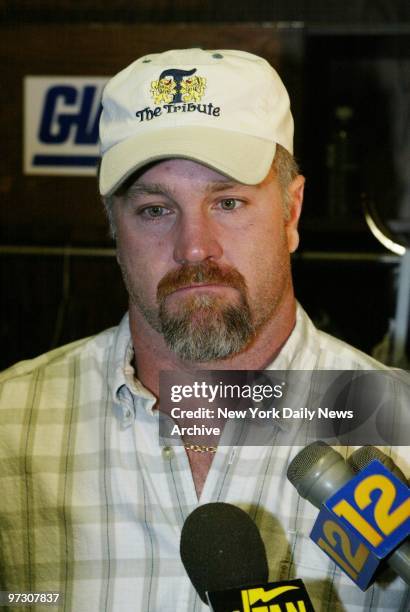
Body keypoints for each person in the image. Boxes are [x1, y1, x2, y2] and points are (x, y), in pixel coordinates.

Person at [0, 48, 408, 611]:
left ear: (291, 213)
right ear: (113, 228)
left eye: (229, 201)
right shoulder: (11, 424)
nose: (194, 247)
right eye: (154, 209)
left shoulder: (399, 430)